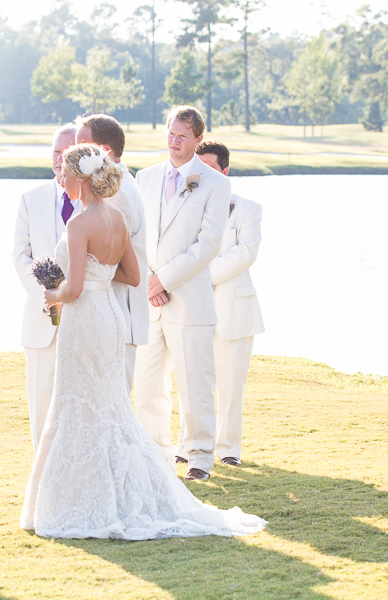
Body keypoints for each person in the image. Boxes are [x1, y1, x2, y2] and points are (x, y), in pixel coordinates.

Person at [20, 143, 265, 540]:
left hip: (85, 322)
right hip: (112, 319)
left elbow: (76, 288)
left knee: (76, 404)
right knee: (109, 406)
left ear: (81, 179)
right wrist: (99, 275)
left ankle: (78, 501)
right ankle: (120, 491)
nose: (60, 180)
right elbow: (133, 276)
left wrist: (53, 294)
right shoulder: (116, 218)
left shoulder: (79, 224)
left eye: (64, 174)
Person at [134, 105, 231, 482]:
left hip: (189, 301)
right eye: (171, 135)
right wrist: (147, 280)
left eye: (182, 137)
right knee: (146, 384)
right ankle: (153, 454)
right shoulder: (145, 177)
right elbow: (134, 235)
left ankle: (200, 457)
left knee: (196, 383)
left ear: (198, 140)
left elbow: (208, 245)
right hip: (148, 300)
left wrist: (164, 280)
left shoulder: (215, 184)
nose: (174, 143)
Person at [176, 141, 264, 466]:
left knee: (230, 386)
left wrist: (200, 274)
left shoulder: (248, 209)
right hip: (192, 310)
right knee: (192, 380)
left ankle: (228, 449)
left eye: (211, 170)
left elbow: (246, 253)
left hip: (234, 311)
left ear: (225, 172)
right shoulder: (185, 208)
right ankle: (189, 446)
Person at [12, 123, 78, 452]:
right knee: (40, 403)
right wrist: (44, 297)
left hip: (83, 319)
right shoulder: (30, 199)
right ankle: (42, 472)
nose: (58, 158)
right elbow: (20, 255)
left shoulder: (97, 201)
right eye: (54, 151)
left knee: (80, 404)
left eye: (65, 152)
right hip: (40, 322)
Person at [74, 114, 148, 393]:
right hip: (105, 313)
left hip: (117, 312)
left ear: (104, 151)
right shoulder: (113, 187)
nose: (74, 151)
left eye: (82, 144)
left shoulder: (119, 194)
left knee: (114, 403)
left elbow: (107, 261)